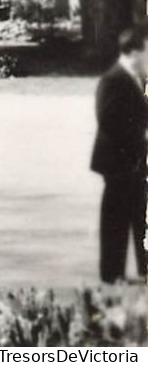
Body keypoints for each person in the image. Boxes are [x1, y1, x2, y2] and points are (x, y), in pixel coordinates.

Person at [92, 24, 148, 283]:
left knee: (141, 217)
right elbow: (108, 119)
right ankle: (111, 274)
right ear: (134, 52)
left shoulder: (137, 79)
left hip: (135, 163)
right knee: (115, 220)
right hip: (117, 164)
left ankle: (144, 267)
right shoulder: (113, 79)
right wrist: (141, 135)